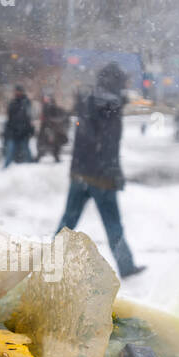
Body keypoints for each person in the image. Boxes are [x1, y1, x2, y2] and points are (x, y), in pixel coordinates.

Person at [56, 63, 143, 277]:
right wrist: (113, 173)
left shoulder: (87, 101)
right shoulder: (111, 106)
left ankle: (52, 262)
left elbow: (84, 138)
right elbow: (108, 144)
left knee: (68, 221)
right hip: (101, 177)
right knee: (113, 223)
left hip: (80, 172)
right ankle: (126, 266)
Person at [2, 85, 35, 166]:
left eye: (19, 91)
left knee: (25, 151)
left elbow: (27, 117)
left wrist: (26, 129)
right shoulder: (13, 102)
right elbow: (10, 118)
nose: (17, 93)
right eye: (16, 91)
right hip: (13, 132)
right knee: (10, 152)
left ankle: (31, 168)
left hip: (23, 132)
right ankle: (5, 170)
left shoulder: (26, 102)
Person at [38, 93, 69, 162]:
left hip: (53, 129)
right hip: (48, 129)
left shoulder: (54, 108)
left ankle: (55, 156)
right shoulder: (45, 108)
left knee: (55, 144)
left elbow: (60, 117)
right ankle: (41, 156)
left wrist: (52, 121)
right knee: (46, 143)